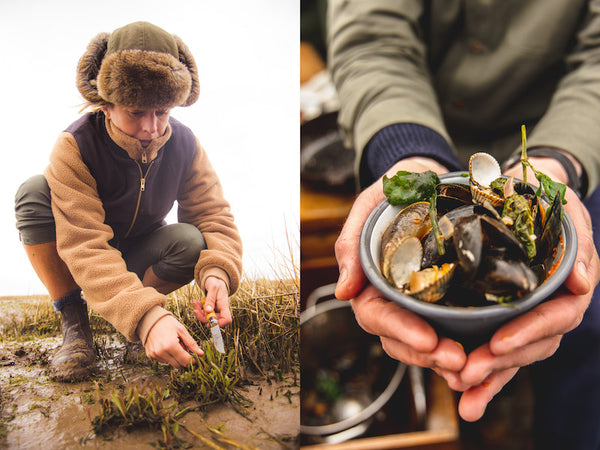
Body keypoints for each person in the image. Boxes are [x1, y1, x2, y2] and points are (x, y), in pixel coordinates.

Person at [328, 1, 600, 448]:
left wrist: (560, 157)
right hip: (423, 129)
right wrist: (408, 151)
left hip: (566, 149)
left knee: (583, 328)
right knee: (458, 365)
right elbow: (372, 39)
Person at [14, 21, 243, 381]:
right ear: (105, 105)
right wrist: (150, 317)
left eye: (163, 111)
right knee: (32, 191)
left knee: (191, 241)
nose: (152, 128)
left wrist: (217, 273)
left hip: (139, 256)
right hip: (83, 259)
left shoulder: (185, 144)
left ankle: (137, 321)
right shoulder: (74, 146)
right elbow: (85, 246)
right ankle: (76, 325)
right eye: (136, 112)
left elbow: (212, 215)